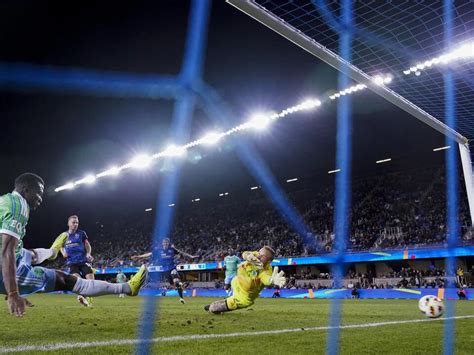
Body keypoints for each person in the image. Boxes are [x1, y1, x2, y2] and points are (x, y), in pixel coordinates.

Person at [0, 173, 148, 317]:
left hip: (15, 259)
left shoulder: (5, 200)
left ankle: (53, 251)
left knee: (28, 254)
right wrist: (13, 292)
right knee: (67, 280)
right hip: (3, 269)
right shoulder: (18, 207)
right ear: (26, 190)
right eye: (39, 194)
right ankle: (128, 288)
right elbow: (7, 251)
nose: (41, 199)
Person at [205, 246, 286, 314]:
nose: (258, 256)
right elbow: (245, 254)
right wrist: (248, 256)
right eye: (259, 253)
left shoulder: (266, 270)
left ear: (268, 261)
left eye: (262, 256)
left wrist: (272, 280)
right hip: (236, 281)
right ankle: (224, 300)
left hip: (244, 295)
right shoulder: (256, 255)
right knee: (228, 287)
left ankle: (212, 308)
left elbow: (266, 279)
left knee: (217, 307)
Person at [132, 238, 197, 304]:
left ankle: (181, 298)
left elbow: (181, 253)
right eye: (164, 242)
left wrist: (191, 256)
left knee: (177, 282)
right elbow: (149, 254)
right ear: (162, 243)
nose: (166, 244)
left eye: (167, 242)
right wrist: (138, 256)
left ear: (168, 243)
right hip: (165, 271)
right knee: (173, 285)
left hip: (172, 268)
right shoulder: (158, 250)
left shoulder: (172, 249)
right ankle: (178, 287)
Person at [49, 215, 95, 307]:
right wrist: (63, 252)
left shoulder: (81, 233)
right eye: (73, 222)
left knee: (91, 279)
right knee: (78, 280)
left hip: (83, 260)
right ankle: (83, 298)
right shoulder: (64, 235)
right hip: (72, 262)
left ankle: (88, 299)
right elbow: (60, 245)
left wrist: (88, 253)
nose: (75, 224)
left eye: (77, 222)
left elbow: (87, 245)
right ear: (68, 223)